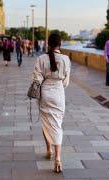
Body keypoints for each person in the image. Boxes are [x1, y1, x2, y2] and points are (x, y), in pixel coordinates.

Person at [32, 33, 71, 173]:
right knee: (57, 124)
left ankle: (49, 150)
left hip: (45, 93)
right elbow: (66, 81)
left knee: (46, 123)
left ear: (48, 43)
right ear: (60, 44)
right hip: (59, 93)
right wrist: (58, 85)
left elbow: (36, 78)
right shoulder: (66, 59)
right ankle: (58, 158)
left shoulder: (41, 58)